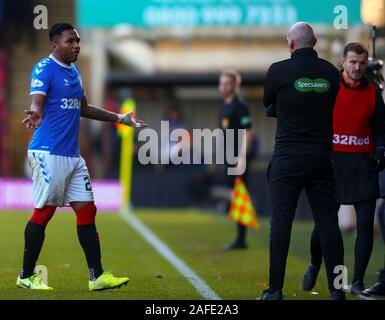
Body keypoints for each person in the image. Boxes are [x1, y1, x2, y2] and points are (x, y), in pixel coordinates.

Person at [17, 22, 146, 290]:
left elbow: (84, 108)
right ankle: (26, 276)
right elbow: (37, 101)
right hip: (48, 152)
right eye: (70, 41)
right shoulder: (44, 68)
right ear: (55, 45)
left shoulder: (75, 73)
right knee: (45, 211)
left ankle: (96, 276)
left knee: (87, 209)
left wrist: (120, 119)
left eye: (78, 41)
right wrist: (36, 112)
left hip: (72, 156)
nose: (76, 45)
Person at [258, 22, 345, 300]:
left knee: (281, 224)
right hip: (322, 158)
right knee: (329, 224)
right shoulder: (332, 73)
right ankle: (337, 291)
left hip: (287, 159)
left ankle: (274, 291)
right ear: (315, 41)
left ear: (291, 43)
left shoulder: (277, 70)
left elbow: (268, 103)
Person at [301, 43, 385, 297]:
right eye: (353, 62)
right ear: (343, 62)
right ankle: (315, 263)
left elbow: (381, 129)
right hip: (333, 163)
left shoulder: (373, 93)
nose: (357, 67)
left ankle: (358, 281)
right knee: (323, 226)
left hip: (363, 165)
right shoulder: (328, 88)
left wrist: (381, 149)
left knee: (364, 226)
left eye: (362, 62)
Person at [217, 69, 253, 250]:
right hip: (228, 157)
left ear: (235, 86)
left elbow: (248, 131)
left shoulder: (240, 106)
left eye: (227, 83)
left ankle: (241, 239)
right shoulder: (225, 106)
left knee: (239, 195)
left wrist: (242, 156)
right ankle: (240, 237)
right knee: (235, 195)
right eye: (221, 83)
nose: (223, 87)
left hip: (238, 158)